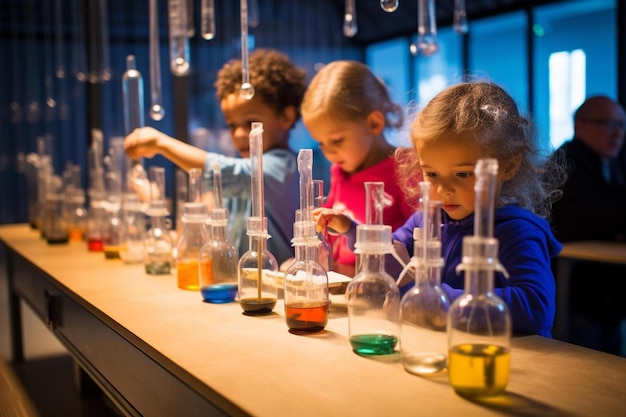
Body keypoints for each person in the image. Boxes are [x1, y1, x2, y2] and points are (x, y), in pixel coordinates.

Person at [314, 81, 564, 337]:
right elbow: (390, 256)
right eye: (431, 173)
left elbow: (535, 308)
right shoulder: (425, 220)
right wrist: (352, 230)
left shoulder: (518, 232)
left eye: (463, 173)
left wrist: (436, 298)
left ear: (508, 166)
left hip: (506, 361)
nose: (443, 189)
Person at [124, 49, 307, 264]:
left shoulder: (285, 167)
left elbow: (236, 174)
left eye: (250, 123)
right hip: (238, 285)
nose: (239, 134)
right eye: (231, 125)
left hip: (275, 290)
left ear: (286, 117)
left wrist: (161, 143)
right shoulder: (236, 180)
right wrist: (153, 200)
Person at [300, 60, 415, 276]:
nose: (328, 152)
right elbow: (329, 232)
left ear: (373, 123)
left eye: (336, 140)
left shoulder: (407, 168)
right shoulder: (339, 172)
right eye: (321, 143)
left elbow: (418, 239)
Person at [550, 95, 626, 355]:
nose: (617, 133)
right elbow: (578, 221)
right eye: (608, 123)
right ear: (580, 125)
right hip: (578, 291)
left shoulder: (614, 163)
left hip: (608, 291)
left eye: (621, 125)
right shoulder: (566, 162)